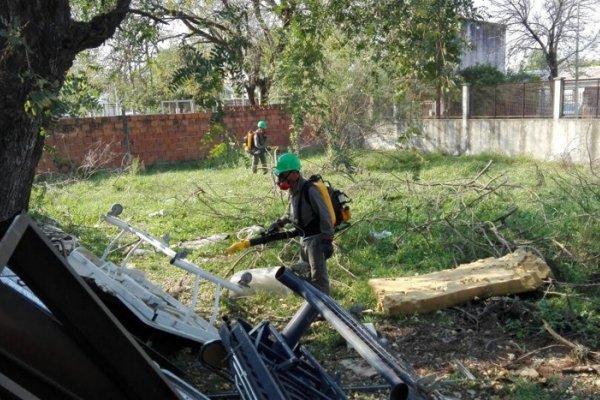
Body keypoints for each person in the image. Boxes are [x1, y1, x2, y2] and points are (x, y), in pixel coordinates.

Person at [268, 153, 335, 294]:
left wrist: (327, 240)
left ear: (294, 173)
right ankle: (311, 307)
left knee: (318, 279)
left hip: (316, 240)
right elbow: (290, 213)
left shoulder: (310, 190)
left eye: (283, 175)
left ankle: (324, 310)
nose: (280, 179)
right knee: (306, 274)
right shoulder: (294, 190)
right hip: (304, 240)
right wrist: (279, 223)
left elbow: (325, 215)